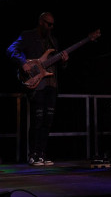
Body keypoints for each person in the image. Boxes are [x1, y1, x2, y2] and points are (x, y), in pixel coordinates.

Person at [6, 12, 68, 166]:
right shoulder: (28, 35)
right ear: (41, 22)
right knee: (37, 120)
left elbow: (57, 64)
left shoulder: (53, 41)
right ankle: (33, 155)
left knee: (48, 120)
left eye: (52, 25)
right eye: (48, 24)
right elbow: (11, 50)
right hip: (36, 84)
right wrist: (22, 62)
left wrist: (64, 61)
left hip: (51, 84)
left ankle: (41, 154)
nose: (51, 27)